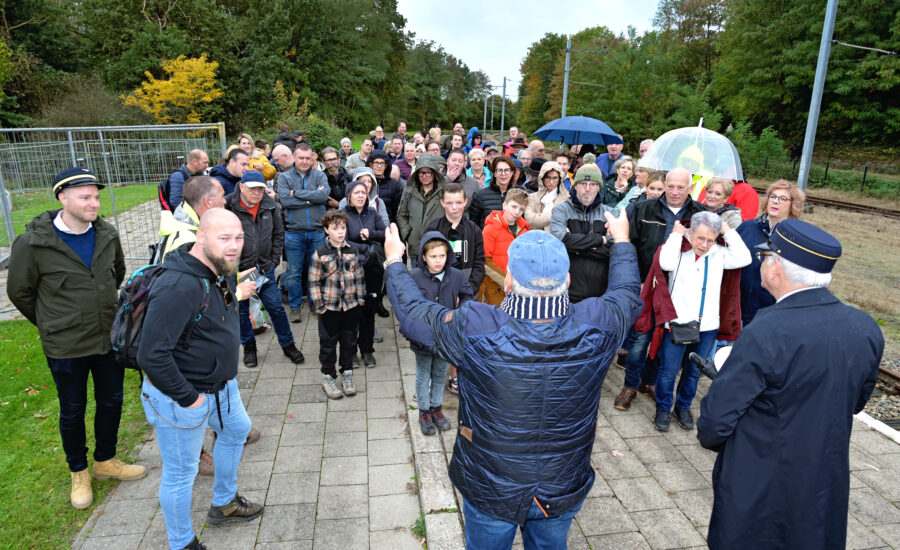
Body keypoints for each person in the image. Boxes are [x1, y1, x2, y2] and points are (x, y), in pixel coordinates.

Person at [383, 208, 642, 549]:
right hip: (561, 485)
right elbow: (625, 291)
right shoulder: (600, 321)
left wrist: (394, 264)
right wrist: (622, 241)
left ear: (507, 281)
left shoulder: (474, 325)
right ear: (566, 280)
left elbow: (416, 314)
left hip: (490, 487)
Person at [697, 218, 883, 550]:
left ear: (776, 269)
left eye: (766, 257)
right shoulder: (865, 327)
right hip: (822, 483)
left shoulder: (767, 330)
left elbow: (713, 426)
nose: (763, 264)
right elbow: (853, 401)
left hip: (760, 486)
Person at [7, 167, 146, 510]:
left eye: (96, 196)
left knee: (112, 400)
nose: (94, 203)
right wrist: (52, 322)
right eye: (85, 197)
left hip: (106, 336)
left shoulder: (107, 234)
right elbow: (20, 292)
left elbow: (117, 272)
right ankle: (79, 471)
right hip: (65, 343)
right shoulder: (33, 242)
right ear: (62, 198)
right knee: (73, 409)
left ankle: (105, 460)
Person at [138, 209, 264, 550]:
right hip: (182, 396)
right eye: (225, 238)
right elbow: (151, 354)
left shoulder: (217, 270)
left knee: (237, 431)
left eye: (238, 238)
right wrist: (191, 399)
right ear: (202, 238)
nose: (234, 246)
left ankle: (224, 503)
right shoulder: (178, 284)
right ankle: (182, 544)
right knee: (181, 473)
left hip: (221, 386)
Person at [652, 212, 751, 431]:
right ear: (690, 233)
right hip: (677, 323)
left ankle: (683, 407)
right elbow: (665, 262)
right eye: (700, 238)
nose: (705, 245)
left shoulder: (719, 254)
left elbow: (745, 258)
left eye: (710, 239)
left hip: (707, 325)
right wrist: (676, 236)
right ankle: (662, 408)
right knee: (668, 370)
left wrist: (727, 230)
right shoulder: (678, 250)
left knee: (694, 370)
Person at [393, 232, 474, 435]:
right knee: (423, 373)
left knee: (439, 372)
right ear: (423, 257)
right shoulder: (414, 277)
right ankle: (423, 411)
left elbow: (467, 295)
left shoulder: (455, 275)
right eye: (433, 256)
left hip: (445, 335)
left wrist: (458, 314)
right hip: (423, 336)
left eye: (442, 256)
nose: (438, 261)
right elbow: (404, 304)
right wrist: (411, 328)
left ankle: (436, 408)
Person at [225, 171, 305, 368]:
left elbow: (279, 233)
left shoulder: (271, 206)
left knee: (276, 308)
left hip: (264, 268)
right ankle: (249, 348)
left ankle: (288, 345)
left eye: (260, 188)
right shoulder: (228, 206)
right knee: (242, 311)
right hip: (239, 270)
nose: (256, 192)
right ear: (242, 187)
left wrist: (273, 261)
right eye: (252, 188)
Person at [309, 209, 367, 399]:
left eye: (342, 227)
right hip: (330, 308)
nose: (340, 232)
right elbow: (314, 281)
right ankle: (328, 375)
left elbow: (359, 276)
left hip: (350, 306)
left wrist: (360, 299)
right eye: (335, 228)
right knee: (328, 344)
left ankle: (347, 374)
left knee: (349, 342)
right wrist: (321, 307)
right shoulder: (320, 253)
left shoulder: (353, 250)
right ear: (326, 230)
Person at [736, 179, 805, 325]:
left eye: (782, 199)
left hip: (771, 311)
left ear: (793, 204)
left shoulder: (796, 237)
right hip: (738, 307)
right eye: (772, 196)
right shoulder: (747, 227)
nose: (775, 202)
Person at [278, 142, 331, 321]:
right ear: (294, 157)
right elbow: (286, 201)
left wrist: (297, 194)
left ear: (313, 158)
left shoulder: (319, 175)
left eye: (308, 158)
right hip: (294, 233)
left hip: (317, 232)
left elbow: (324, 197)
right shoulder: (284, 178)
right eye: (301, 158)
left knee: (315, 271)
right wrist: (312, 198)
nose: (304, 161)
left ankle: (315, 304)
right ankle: (295, 306)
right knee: (293, 272)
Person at [550, 164, 617, 302]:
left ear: (599, 187)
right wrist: (601, 240)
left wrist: (575, 246)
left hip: (601, 292)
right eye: (583, 184)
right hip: (567, 291)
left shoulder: (610, 213)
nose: (587, 189)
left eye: (592, 184)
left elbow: (614, 249)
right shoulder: (560, 210)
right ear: (575, 186)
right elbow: (559, 242)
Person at [628, 167, 708, 281]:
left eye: (680, 188)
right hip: (647, 279)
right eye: (670, 187)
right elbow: (631, 245)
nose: (674, 192)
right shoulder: (643, 209)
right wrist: (637, 279)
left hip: (684, 282)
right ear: (665, 185)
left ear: (690, 188)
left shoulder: (702, 214)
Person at [343, 179, 387, 368]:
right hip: (350, 269)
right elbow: (342, 242)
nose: (361, 196)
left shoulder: (373, 213)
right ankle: (350, 352)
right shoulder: (342, 215)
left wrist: (371, 234)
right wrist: (365, 249)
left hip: (372, 269)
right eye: (357, 193)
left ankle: (367, 350)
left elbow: (385, 233)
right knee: (351, 313)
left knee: (369, 311)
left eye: (364, 193)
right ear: (349, 196)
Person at [480, 188, 530, 306]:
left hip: (519, 288)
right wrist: (507, 282)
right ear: (505, 205)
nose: (517, 212)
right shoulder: (491, 228)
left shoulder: (525, 229)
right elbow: (484, 261)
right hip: (495, 287)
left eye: (521, 209)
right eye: (514, 206)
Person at [397, 153, 446, 268]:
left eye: (428, 172)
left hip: (437, 247)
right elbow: (401, 214)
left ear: (434, 173)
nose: (424, 176)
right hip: (415, 247)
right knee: (417, 280)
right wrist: (408, 233)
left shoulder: (444, 192)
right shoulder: (409, 191)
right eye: (421, 172)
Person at [470, 155, 516, 228]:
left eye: (507, 170)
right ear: (494, 173)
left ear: (512, 172)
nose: (503, 174)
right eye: (499, 170)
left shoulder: (519, 194)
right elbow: (474, 225)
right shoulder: (481, 195)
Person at [524, 160, 568, 231]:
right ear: (542, 178)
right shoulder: (532, 197)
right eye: (548, 178)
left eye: (555, 178)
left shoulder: (566, 198)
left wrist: (538, 217)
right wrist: (557, 213)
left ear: (560, 178)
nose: (551, 182)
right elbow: (530, 220)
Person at [365, 149, 403, 223]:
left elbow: (397, 211)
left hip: (387, 224)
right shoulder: (364, 183)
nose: (379, 166)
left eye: (382, 163)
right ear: (370, 164)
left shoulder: (394, 185)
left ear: (386, 165)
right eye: (376, 163)